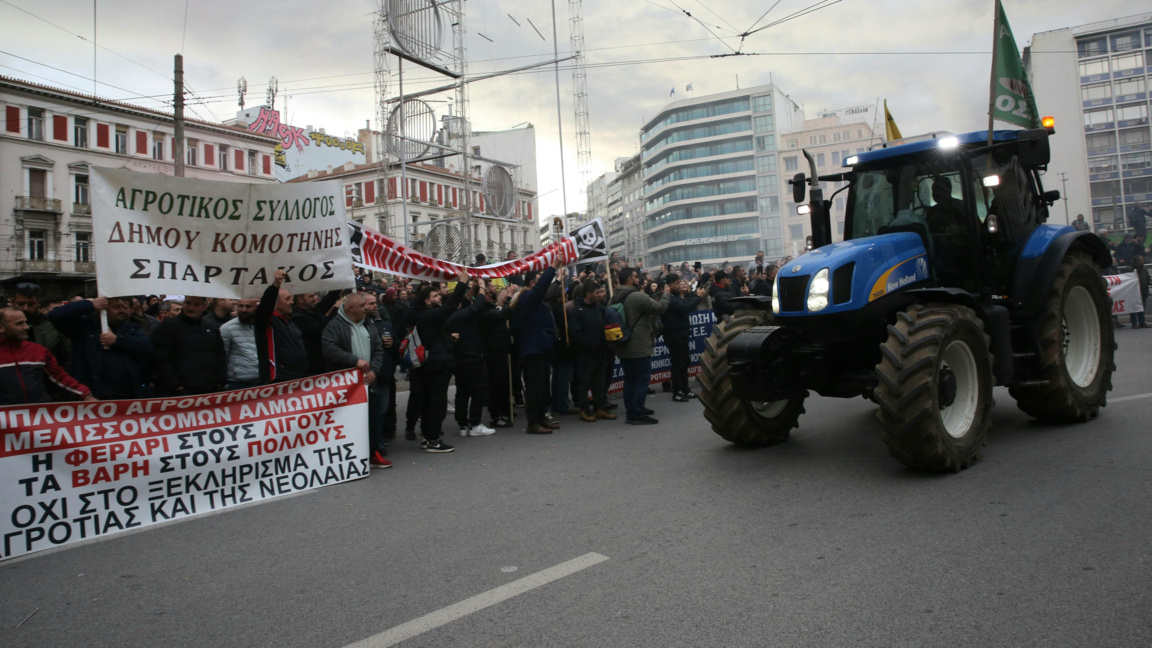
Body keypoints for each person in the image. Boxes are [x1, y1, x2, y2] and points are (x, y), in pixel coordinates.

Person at [322, 292, 391, 469]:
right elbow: (329, 348)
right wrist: (354, 361)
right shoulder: (335, 325)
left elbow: (378, 349)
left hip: (367, 382)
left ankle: (372, 452)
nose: (366, 308)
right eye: (362, 306)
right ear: (351, 308)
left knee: (372, 419)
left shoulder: (368, 324)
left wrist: (374, 370)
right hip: (347, 385)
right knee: (349, 422)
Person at [409, 268, 470, 452]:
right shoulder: (428, 315)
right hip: (436, 367)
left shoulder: (428, 317)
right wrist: (462, 283)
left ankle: (428, 437)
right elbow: (450, 307)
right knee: (436, 404)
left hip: (434, 364)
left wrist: (448, 338)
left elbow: (435, 336)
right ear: (427, 301)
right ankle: (433, 439)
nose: (440, 297)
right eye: (436, 295)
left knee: (429, 402)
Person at [48, 295, 153, 400]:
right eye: (116, 307)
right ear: (102, 308)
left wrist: (117, 341)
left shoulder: (132, 329)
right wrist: (89, 305)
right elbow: (55, 315)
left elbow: (148, 347)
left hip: (127, 395)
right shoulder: (84, 327)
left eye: (125, 307)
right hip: (93, 395)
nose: (121, 311)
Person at [511, 256, 564, 435]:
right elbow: (541, 290)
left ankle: (541, 418)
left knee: (542, 388)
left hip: (542, 348)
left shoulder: (536, 300)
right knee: (534, 389)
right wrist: (552, 268)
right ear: (533, 283)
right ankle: (533, 422)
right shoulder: (526, 297)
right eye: (540, 280)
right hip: (532, 349)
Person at [0, 307, 95, 405]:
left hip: (39, 413)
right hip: (7, 415)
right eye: (19, 323)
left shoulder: (37, 351)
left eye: (25, 322)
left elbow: (59, 376)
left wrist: (85, 395)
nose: (26, 327)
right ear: (1, 328)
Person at [614, 267, 670, 425]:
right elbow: (660, 308)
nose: (639, 279)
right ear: (630, 280)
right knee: (641, 379)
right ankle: (637, 413)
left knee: (630, 379)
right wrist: (666, 295)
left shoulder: (616, 296)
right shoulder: (637, 296)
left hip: (623, 343)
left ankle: (632, 410)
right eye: (636, 277)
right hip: (638, 344)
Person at [447, 278, 496, 437]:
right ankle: (475, 424)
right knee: (477, 391)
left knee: (462, 392)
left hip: (460, 358)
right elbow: (476, 306)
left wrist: (473, 288)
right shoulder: (459, 315)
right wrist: (481, 288)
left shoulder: (453, 314)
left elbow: (466, 301)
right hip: (471, 357)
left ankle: (463, 425)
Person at [151, 296, 227, 396]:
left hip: (210, 389)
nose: (191, 308)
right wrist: (175, 385)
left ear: (204, 306)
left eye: (196, 304)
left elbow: (220, 355)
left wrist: (220, 380)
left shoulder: (211, 328)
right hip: (181, 392)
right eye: (188, 303)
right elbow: (161, 359)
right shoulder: (167, 327)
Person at [571, 279, 615, 423]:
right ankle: (584, 410)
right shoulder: (577, 310)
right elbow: (576, 334)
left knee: (599, 382)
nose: (600, 295)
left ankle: (600, 408)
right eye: (597, 293)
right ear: (588, 294)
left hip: (601, 352)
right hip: (586, 353)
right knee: (584, 383)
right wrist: (589, 345)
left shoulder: (599, 308)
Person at [255, 270, 309, 383]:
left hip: (297, 378)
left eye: (292, 299)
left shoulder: (291, 323)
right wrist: (275, 286)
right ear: (276, 303)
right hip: (278, 380)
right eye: (287, 299)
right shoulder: (268, 322)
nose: (291, 303)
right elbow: (265, 307)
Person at [661, 275, 707, 402]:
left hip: (682, 334)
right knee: (677, 364)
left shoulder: (677, 297)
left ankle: (685, 389)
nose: (679, 285)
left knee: (685, 362)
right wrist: (698, 297)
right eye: (676, 283)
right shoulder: (670, 298)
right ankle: (677, 391)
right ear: (669, 286)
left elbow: (687, 303)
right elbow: (685, 308)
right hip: (674, 336)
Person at [364, 292, 401, 440]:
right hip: (368, 375)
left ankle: (384, 437)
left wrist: (393, 344)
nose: (375, 306)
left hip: (385, 374)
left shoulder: (384, 324)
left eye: (375, 303)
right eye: (371, 303)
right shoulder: (360, 326)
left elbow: (396, 345)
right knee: (371, 413)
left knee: (383, 410)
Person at [12, 282, 71, 371]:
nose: (25, 308)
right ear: (13, 302)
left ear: (38, 303)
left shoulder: (53, 326)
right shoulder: (4, 327)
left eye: (31, 304)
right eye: (20, 304)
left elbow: (65, 361)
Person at [292, 290, 342, 376]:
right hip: (313, 365)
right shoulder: (297, 317)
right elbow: (320, 329)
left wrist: (338, 286)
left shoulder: (311, 311)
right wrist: (336, 309)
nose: (315, 298)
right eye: (311, 296)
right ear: (300, 300)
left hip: (322, 360)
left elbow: (327, 301)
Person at [220, 298, 261, 390]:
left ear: (255, 307)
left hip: (260, 380)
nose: (244, 310)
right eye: (241, 306)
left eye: (248, 306)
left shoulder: (262, 325)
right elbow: (222, 357)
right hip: (237, 382)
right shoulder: (227, 328)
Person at [1131, 256, 1150, 329]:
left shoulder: (1144, 268)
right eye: (1141, 260)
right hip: (1134, 292)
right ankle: (1134, 323)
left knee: (1142, 308)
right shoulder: (1131, 269)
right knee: (1133, 308)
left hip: (1143, 291)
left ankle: (1142, 322)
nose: (1143, 260)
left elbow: (1147, 277)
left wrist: (1149, 282)